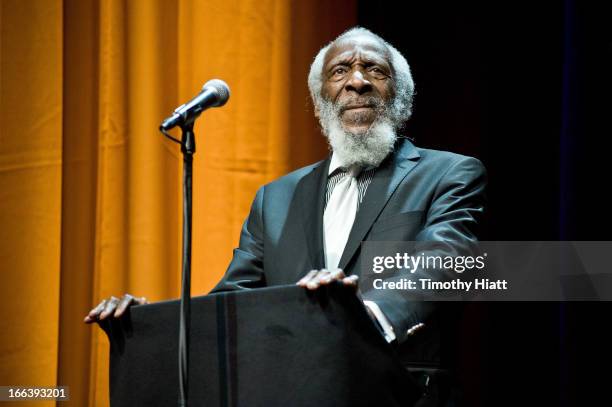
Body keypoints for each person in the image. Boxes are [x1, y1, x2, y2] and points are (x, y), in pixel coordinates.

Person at [86, 27, 486, 405]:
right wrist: (141, 329)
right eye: (340, 71)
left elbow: (447, 255)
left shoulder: (448, 173)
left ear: (399, 94)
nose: (357, 81)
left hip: (404, 394)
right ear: (320, 98)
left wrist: (364, 318)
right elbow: (232, 304)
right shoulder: (275, 198)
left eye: (375, 70)